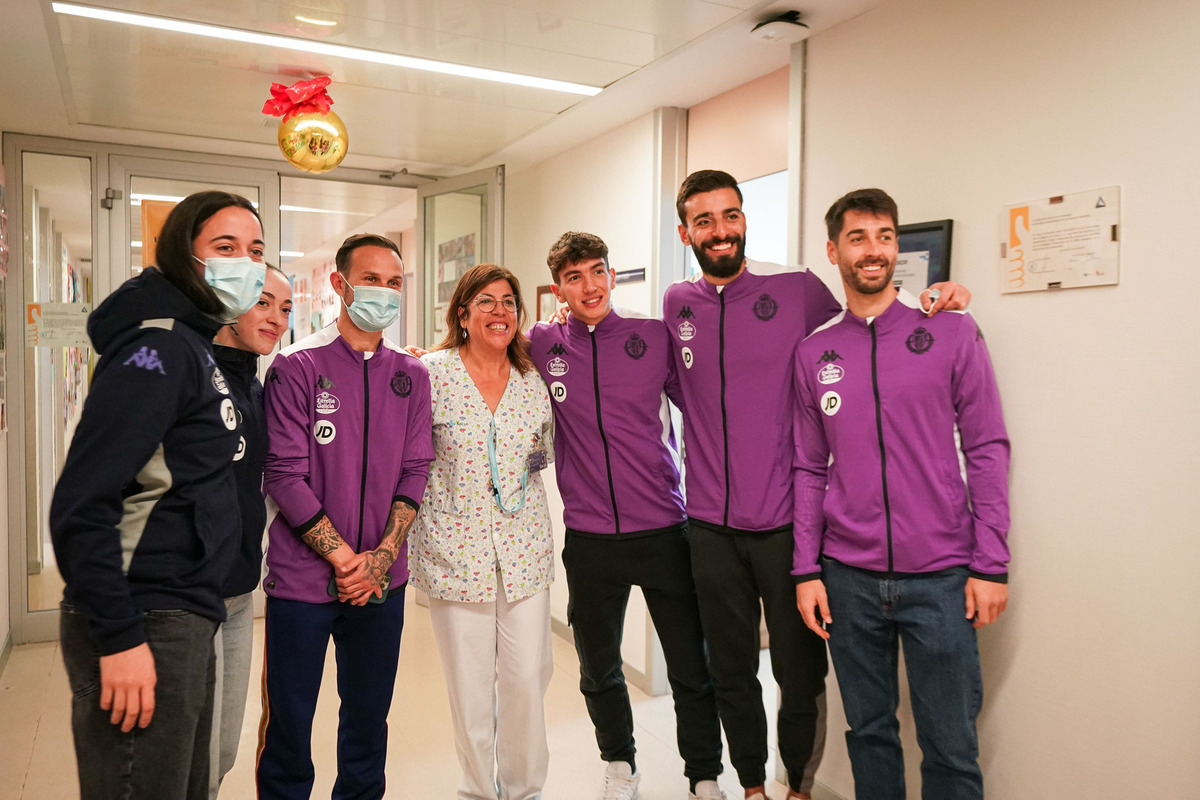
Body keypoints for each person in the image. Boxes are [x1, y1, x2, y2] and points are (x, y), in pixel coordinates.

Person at [663, 170, 970, 800]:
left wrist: (937, 300)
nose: (720, 230)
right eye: (704, 220)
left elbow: (867, 327)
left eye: (730, 215)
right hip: (711, 527)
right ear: (685, 231)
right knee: (731, 670)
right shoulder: (676, 303)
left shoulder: (798, 290)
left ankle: (797, 788)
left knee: (798, 675)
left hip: (786, 525)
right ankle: (751, 786)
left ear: (745, 219)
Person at [49, 190, 267, 800]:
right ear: (182, 255)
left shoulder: (196, 347)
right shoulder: (157, 349)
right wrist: (118, 636)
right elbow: (82, 504)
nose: (244, 263)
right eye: (224, 248)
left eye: (254, 250)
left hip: (186, 609)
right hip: (142, 611)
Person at [793, 189, 1010, 800]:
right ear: (833, 250)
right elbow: (808, 467)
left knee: (950, 746)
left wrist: (991, 561)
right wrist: (807, 569)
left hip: (941, 575)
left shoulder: (949, 330)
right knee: (869, 733)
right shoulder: (815, 352)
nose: (873, 250)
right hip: (848, 578)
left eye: (884, 236)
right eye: (858, 237)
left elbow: (988, 446)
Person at [530, 232, 725, 800]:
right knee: (598, 668)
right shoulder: (543, 343)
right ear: (559, 287)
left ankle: (704, 775)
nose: (588, 285)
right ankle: (620, 765)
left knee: (690, 665)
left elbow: (709, 401)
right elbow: (482, 355)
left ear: (611, 275)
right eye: (574, 277)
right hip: (590, 540)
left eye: (597, 271)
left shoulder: (652, 336)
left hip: (666, 528)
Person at [257, 233, 433, 800]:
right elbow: (283, 474)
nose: (384, 292)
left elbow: (416, 467)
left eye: (394, 282)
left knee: (367, 723)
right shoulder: (296, 366)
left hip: (383, 584)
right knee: (289, 724)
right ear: (340, 284)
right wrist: (343, 559)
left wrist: (380, 559)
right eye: (372, 279)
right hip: (302, 584)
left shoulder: (412, 375)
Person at [409, 263, 555, 800]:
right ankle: (476, 790)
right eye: (487, 302)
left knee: (525, 681)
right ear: (463, 314)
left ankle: (524, 791)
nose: (501, 312)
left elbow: (543, 454)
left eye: (510, 301)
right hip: (455, 553)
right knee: (469, 689)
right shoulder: (430, 374)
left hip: (524, 553)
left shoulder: (533, 380)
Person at [209, 264, 293, 798]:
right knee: (183, 755)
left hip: (240, 593)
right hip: (186, 598)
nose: (277, 319)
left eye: (285, 309)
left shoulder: (256, 386)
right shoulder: (191, 371)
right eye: (264, 303)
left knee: (220, 751)